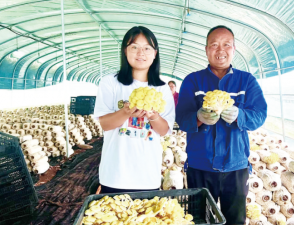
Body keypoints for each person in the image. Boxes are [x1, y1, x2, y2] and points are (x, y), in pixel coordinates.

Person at [176, 25, 267, 225]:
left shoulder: (247, 81)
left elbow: (260, 115)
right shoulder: (193, 81)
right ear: (207, 49)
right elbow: (181, 118)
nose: (220, 50)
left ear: (234, 49)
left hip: (235, 167)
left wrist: (239, 115)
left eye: (226, 45)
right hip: (200, 166)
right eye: (214, 45)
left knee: (234, 220)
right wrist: (198, 117)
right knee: (200, 219)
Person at [93, 26, 175, 193]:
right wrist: (125, 112)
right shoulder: (110, 83)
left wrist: (153, 117)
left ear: (155, 53)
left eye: (147, 48)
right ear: (125, 51)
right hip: (115, 175)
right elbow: (105, 124)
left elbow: (165, 130)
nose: (140, 53)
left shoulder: (162, 89)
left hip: (147, 175)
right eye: (134, 47)